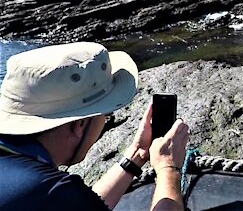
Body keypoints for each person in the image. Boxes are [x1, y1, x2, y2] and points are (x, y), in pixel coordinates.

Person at [0, 42, 189, 211]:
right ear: (79, 125)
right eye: (107, 115)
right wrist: (168, 168)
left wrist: (137, 155)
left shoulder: (38, 186)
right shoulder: (52, 191)